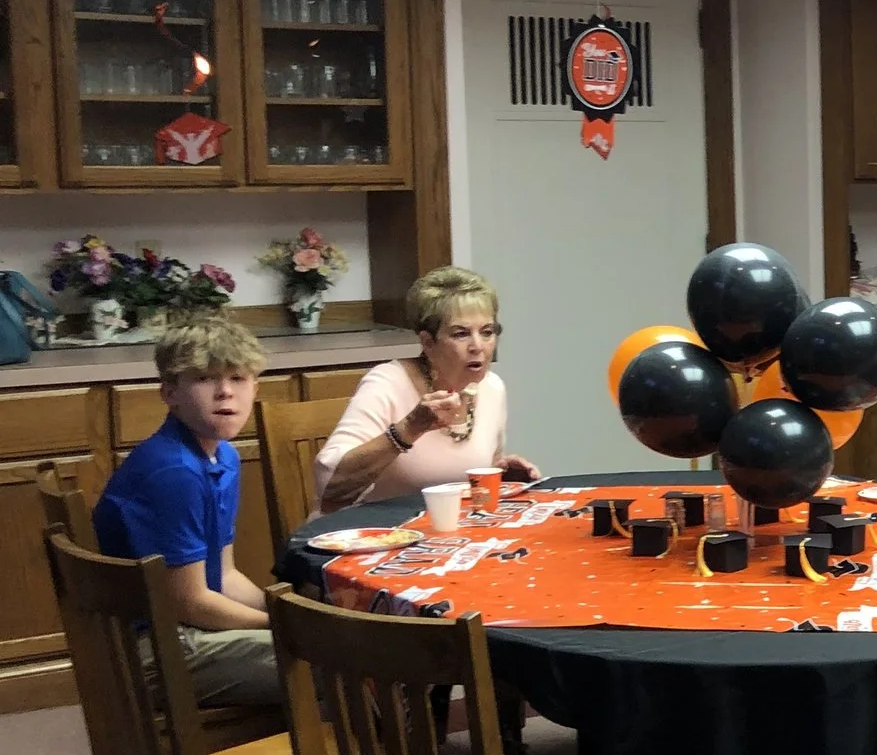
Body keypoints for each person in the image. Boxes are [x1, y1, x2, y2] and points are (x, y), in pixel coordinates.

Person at [92, 316, 279, 707]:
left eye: (238, 379)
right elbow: (189, 601)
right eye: (205, 379)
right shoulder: (173, 470)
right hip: (158, 647)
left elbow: (224, 576)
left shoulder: (222, 457)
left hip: (188, 628)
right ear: (170, 393)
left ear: (255, 387)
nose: (225, 393)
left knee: (335, 647)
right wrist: (289, 627)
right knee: (332, 660)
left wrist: (290, 612)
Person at [315, 267, 541, 510]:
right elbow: (330, 486)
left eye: (487, 332)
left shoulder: (493, 388)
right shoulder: (386, 383)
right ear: (428, 342)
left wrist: (501, 474)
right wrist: (410, 428)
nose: (478, 346)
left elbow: (470, 469)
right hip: (372, 535)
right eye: (461, 334)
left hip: (444, 535)